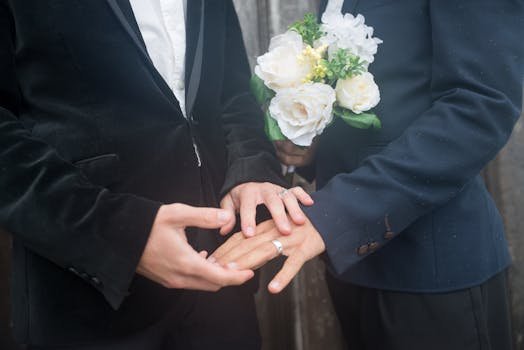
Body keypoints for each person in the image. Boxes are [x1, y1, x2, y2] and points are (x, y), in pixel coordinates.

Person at [0, 1, 314, 349]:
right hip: (90, 302)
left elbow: (230, 91)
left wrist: (251, 167)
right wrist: (121, 235)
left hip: (222, 277)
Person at [213, 0, 524, 349]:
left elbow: (481, 107)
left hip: (432, 272)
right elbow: (395, 96)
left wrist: (336, 216)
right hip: (352, 269)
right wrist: (311, 149)